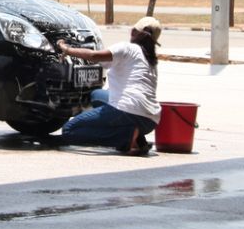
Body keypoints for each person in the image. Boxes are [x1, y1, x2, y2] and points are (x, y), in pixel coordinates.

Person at [54, 16, 163, 155]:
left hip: (129, 111)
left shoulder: (127, 48)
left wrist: (66, 48)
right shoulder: (150, 58)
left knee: (69, 130)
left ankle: (126, 137)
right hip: (150, 120)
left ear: (135, 33)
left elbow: (94, 56)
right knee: (96, 95)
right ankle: (137, 139)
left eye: (132, 31)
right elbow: (100, 61)